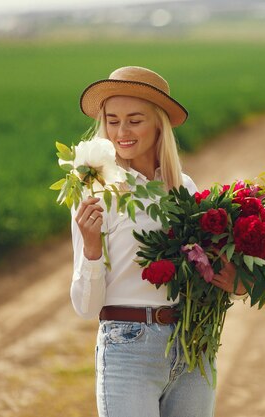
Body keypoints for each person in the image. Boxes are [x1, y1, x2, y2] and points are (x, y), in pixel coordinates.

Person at [71, 66, 245, 417]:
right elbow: (86, 308)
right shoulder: (96, 190)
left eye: (135, 120)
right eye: (112, 120)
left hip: (192, 341)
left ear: (158, 125)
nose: (121, 132)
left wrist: (234, 281)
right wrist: (91, 248)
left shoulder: (186, 189)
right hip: (128, 347)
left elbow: (204, 273)